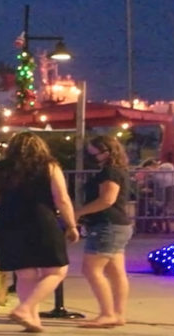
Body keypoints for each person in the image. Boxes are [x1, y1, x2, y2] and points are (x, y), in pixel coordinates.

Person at [0, 131, 78, 333]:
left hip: (9, 222)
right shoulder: (49, 166)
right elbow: (61, 198)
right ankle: (25, 309)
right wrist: (71, 225)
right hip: (41, 220)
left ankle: (33, 320)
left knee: (25, 274)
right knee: (57, 270)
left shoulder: (0, 169)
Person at [76, 134, 133, 328]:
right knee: (116, 272)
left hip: (107, 224)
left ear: (107, 152)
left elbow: (107, 199)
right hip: (118, 225)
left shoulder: (110, 172)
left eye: (95, 152)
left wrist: (79, 212)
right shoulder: (118, 170)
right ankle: (118, 313)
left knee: (91, 269)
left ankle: (108, 313)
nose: (93, 156)